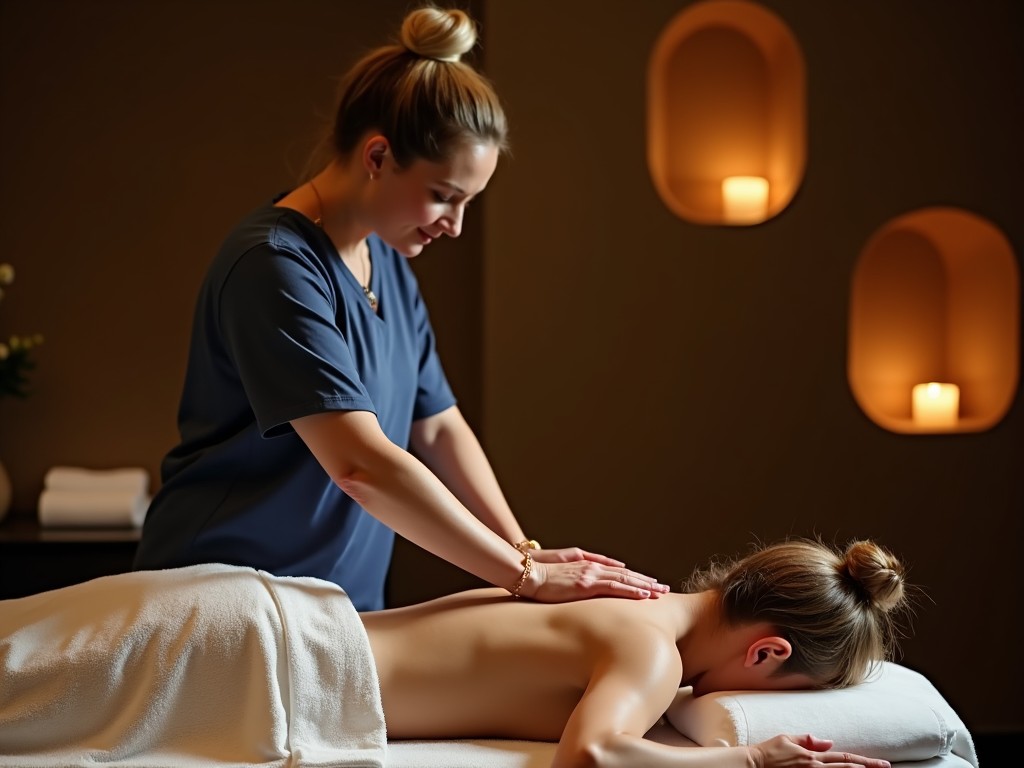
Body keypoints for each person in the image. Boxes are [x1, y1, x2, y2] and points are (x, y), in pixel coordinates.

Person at [133, 4, 667, 610]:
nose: (456, 226)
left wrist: (520, 547)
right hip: (225, 602)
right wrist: (526, 578)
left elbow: (436, 424)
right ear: (378, 157)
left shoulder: (384, 262)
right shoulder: (275, 266)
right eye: (444, 197)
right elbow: (360, 463)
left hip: (334, 609)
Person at [1, 538, 907, 768]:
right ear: (767, 654)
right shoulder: (652, 655)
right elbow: (590, 755)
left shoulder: (621, 593)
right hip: (248, 659)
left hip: (246, 612)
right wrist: (752, 755)